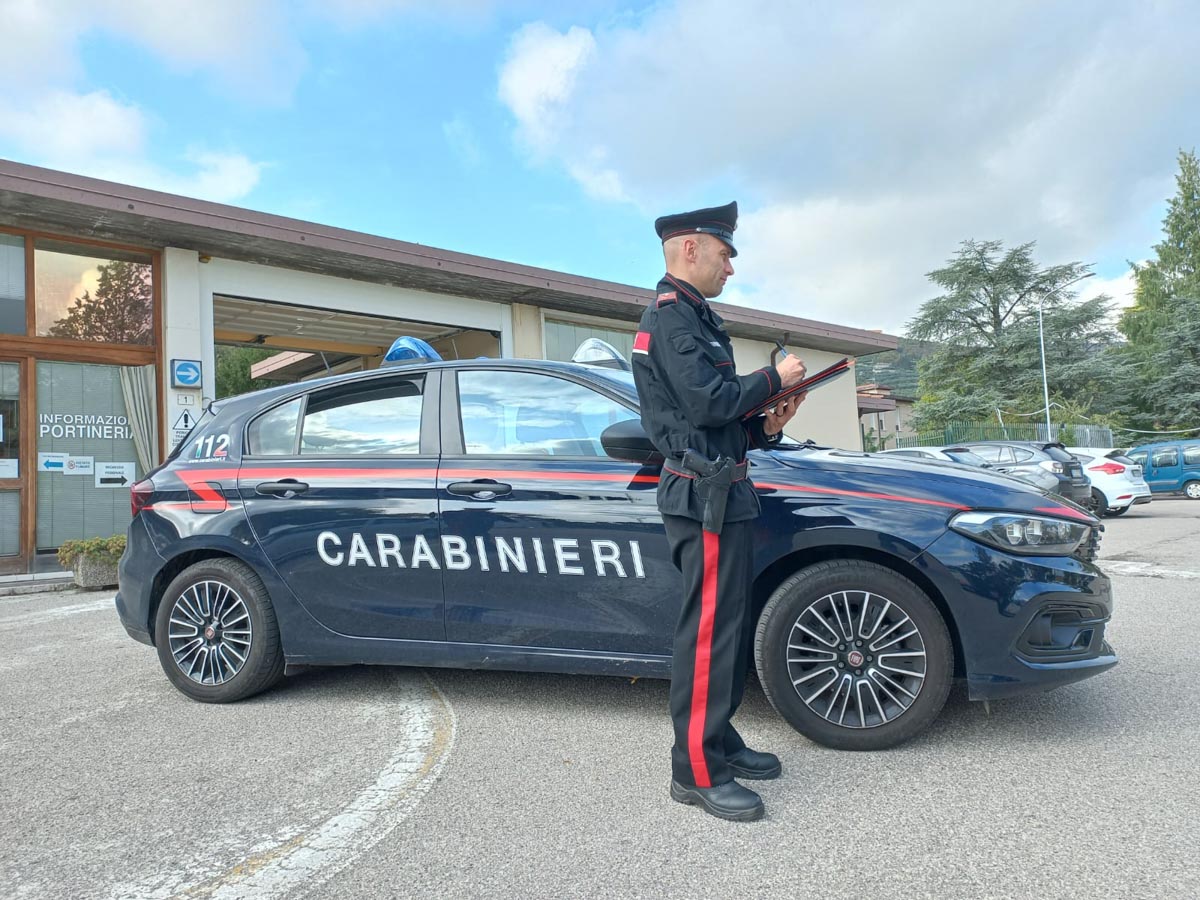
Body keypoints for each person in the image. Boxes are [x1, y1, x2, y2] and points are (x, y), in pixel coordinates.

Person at [631, 201, 808, 822]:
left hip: (724, 492)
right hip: (701, 500)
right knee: (707, 636)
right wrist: (773, 375)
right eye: (725, 252)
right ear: (690, 249)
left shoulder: (698, 319)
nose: (730, 266)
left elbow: (718, 423)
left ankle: (720, 738)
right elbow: (708, 404)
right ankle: (695, 771)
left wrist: (767, 423)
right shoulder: (672, 318)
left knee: (727, 628)